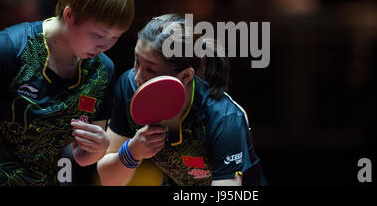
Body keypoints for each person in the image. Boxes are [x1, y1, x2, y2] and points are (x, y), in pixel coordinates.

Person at [0, 0, 135, 185]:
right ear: (69, 14)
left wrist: (98, 148)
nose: (105, 46)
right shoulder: (7, 48)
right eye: (98, 34)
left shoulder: (103, 71)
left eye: (115, 37)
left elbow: (82, 157)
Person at [97, 13, 267, 186]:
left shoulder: (224, 119)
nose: (137, 77)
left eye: (151, 70)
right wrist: (132, 152)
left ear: (186, 75)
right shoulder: (129, 89)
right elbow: (109, 180)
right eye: (136, 61)